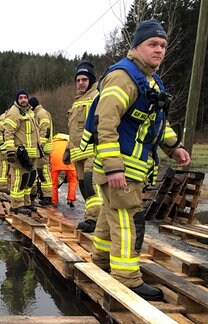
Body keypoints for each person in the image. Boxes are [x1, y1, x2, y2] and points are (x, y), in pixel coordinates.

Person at [83, 19, 190, 301]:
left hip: (130, 167)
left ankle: (102, 262)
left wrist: (175, 147)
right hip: (120, 168)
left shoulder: (150, 81)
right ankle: (127, 278)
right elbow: (105, 124)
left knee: (109, 217)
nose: (159, 50)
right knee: (128, 220)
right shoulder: (124, 77)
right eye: (152, 44)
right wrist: (113, 167)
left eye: (163, 45)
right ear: (136, 47)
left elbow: (155, 123)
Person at [65, 61, 103, 233]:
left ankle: (95, 219)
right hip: (78, 152)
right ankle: (90, 217)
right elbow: (73, 131)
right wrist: (67, 149)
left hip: (93, 151)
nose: (80, 83)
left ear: (91, 80)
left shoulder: (97, 95)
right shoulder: (76, 102)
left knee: (91, 184)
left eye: (84, 79)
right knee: (82, 185)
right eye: (78, 80)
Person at [3, 89, 41, 215]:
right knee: (19, 179)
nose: (24, 100)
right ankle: (16, 205)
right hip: (20, 153)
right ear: (17, 99)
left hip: (32, 153)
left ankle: (26, 202)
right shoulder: (14, 113)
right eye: (21, 98)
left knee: (29, 179)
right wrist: (10, 151)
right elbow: (8, 133)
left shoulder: (30, 112)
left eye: (25, 97)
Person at [29, 96, 53, 206]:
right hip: (39, 149)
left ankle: (47, 196)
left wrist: (40, 145)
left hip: (42, 149)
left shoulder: (41, 114)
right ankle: (41, 194)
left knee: (43, 173)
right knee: (38, 172)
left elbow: (45, 131)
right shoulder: (38, 113)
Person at [50, 133, 77, 207]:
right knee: (72, 181)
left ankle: (54, 200)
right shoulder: (70, 142)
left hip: (55, 161)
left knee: (53, 182)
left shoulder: (53, 141)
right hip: (68, 160)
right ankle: (70, 199)